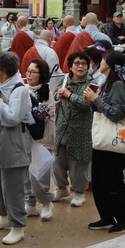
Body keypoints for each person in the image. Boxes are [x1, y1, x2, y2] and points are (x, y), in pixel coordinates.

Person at [83, 51, 125, 233]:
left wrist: (96, 100)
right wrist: (92, 101)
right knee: (100, 180)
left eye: (104, 59)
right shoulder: (106, 83)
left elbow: (116, 113)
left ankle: (124, 219)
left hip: (113, 141)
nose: (101, 62)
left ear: (110, 64)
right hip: (102, 140)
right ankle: (107, 216)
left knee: (112, 180)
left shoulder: (118, 84)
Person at [0, 51, 33, 245]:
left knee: (13, 188)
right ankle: (3, 216)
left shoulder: (19, 90)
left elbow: (13, 117)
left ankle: (18, 226)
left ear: (4, 69)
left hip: (14, 143)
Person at [52, 50, 94, 208]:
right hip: (62, 128)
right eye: (77, 63)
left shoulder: (92, 83)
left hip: (81, 131)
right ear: (70, 66)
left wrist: (69, 95)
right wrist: (58, 95)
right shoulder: (65, 79)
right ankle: (61, 188)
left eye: (84, 64)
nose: (80, 66)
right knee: (57, 162)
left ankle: (79, 192)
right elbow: (55, 95)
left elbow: (86, 104)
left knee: (78, 164)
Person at [24, 57, 55, 221]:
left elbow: (47, 114)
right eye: (27, 71)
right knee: (26, 174)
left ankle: (46, 202)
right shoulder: (22, 89)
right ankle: (30, 203)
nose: (29, 74)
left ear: (41, 74)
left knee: (40, 174)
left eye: (33, 72)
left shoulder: (46, 93)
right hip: (25, 138)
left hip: (42, 138)